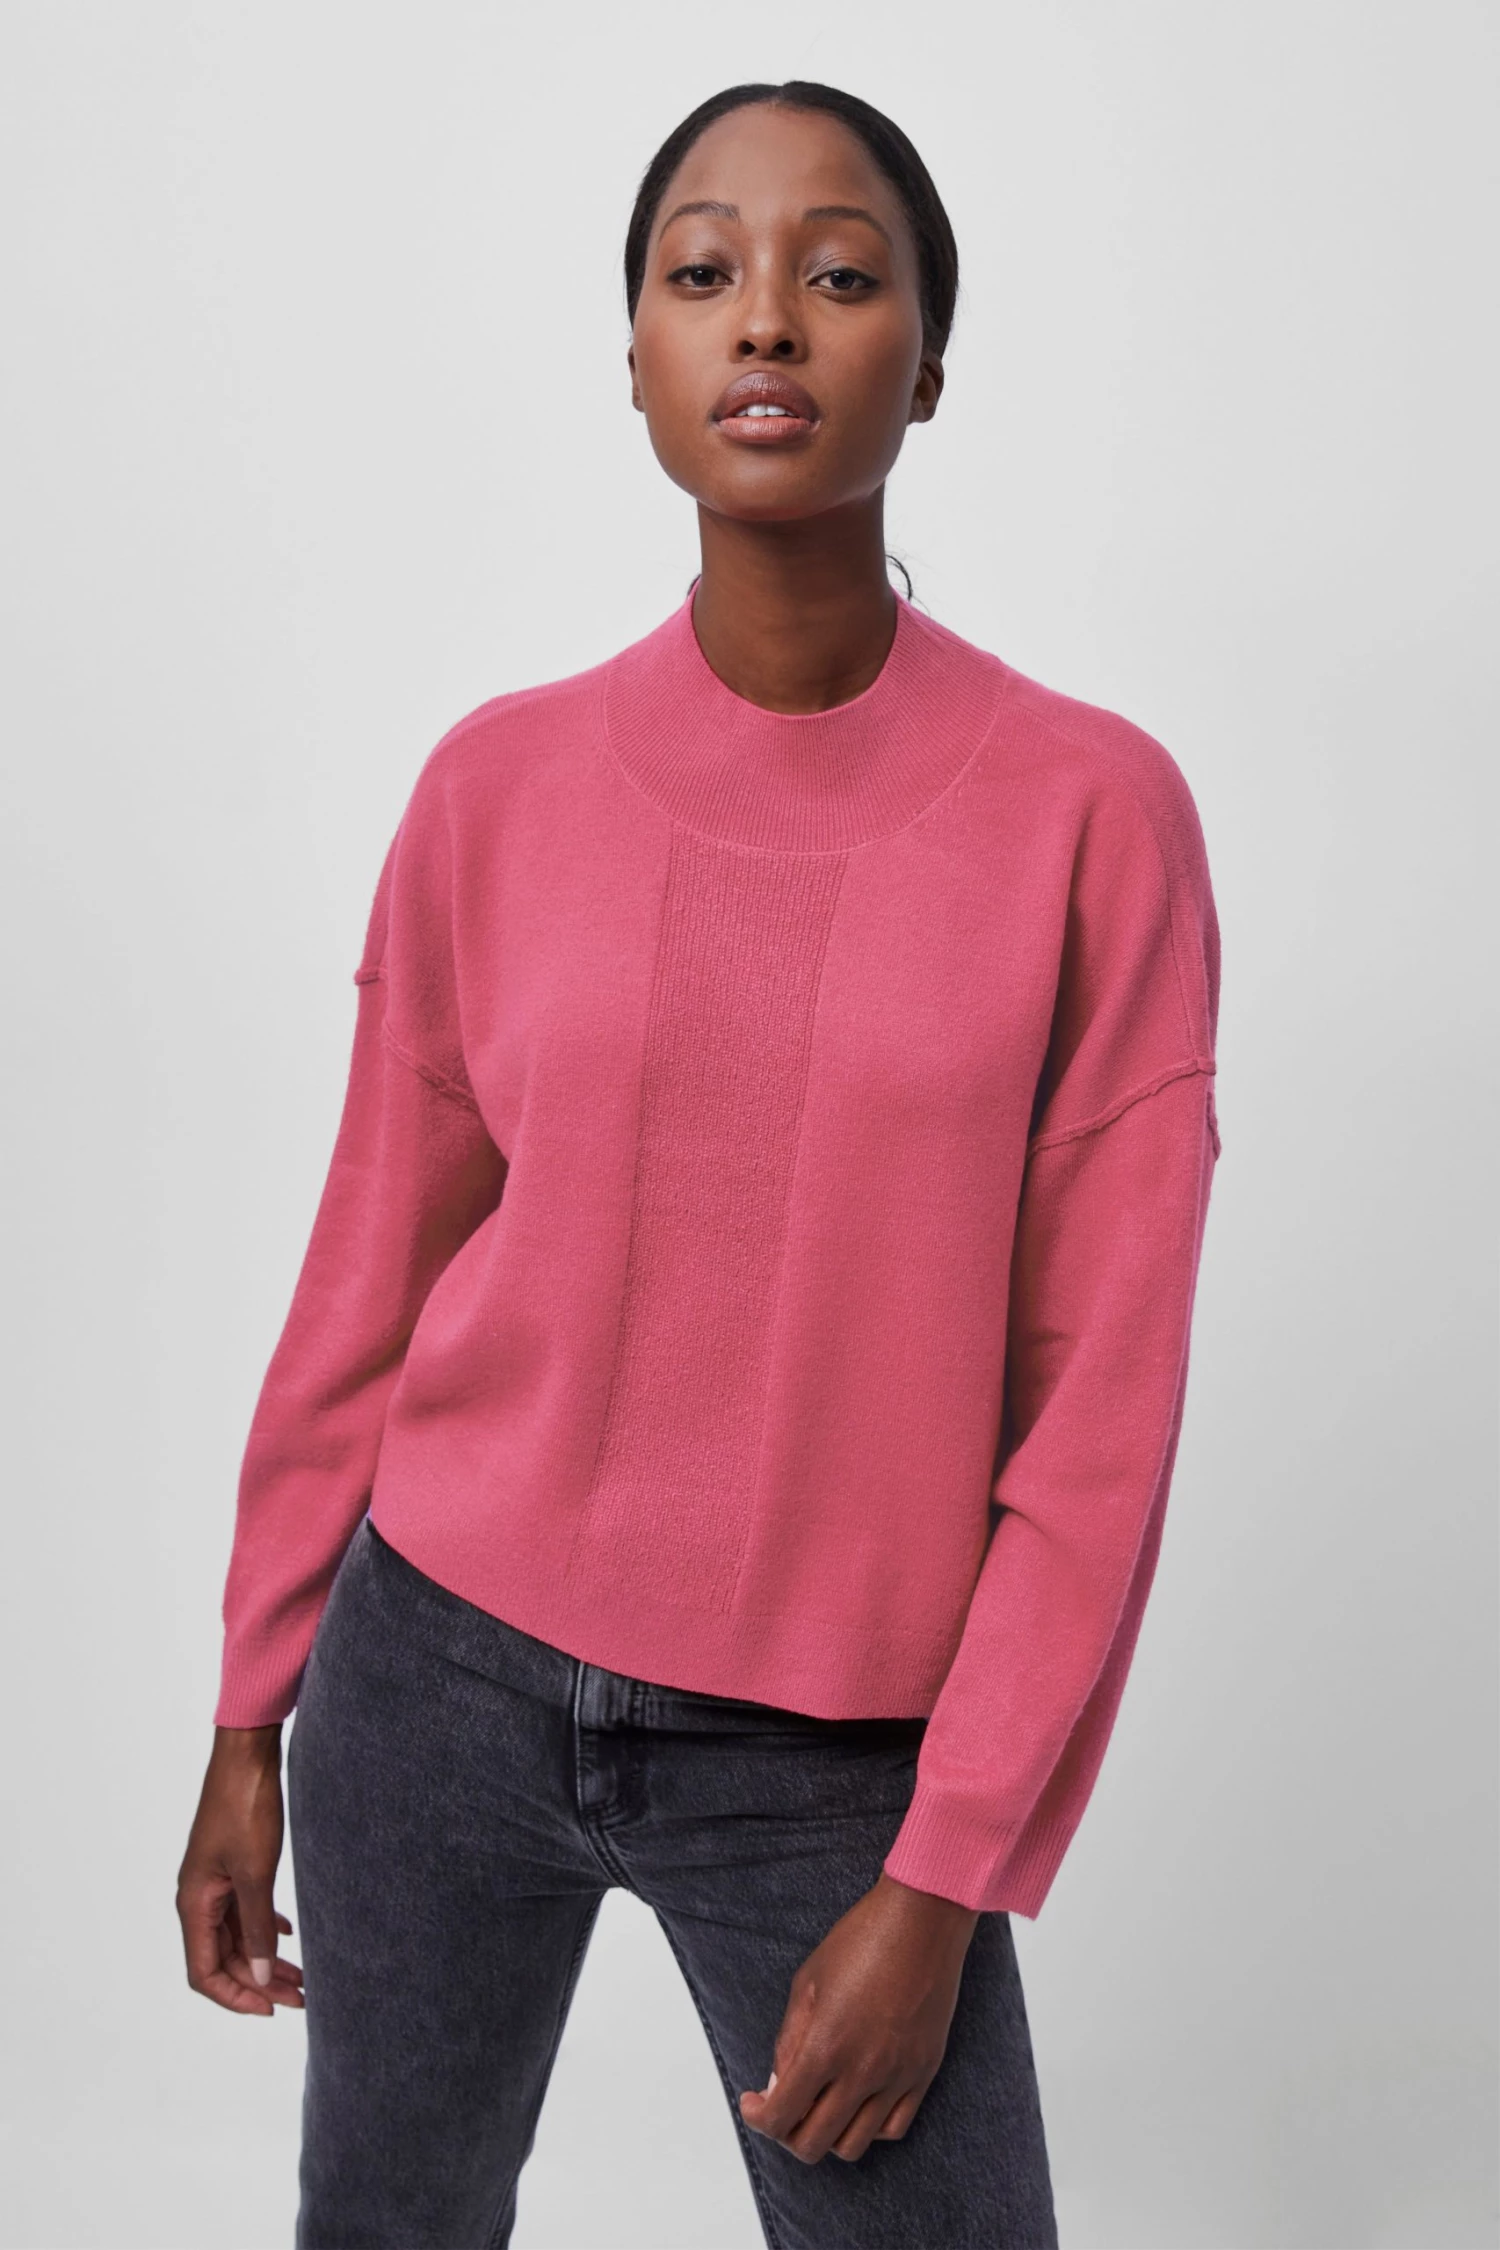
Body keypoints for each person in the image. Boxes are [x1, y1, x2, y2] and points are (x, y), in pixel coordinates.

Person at [176, 79, 1220, 2250]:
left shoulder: (1092, 817)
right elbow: (366, 1279)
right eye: (701, 272)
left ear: (929, 363)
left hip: (834, 1762)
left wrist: (946, 1871)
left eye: (838, 273)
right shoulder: (495, 787)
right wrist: (252, 1706)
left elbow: (1098, 1410)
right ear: (637, 356)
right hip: (435, 1675)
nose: (765, 319)